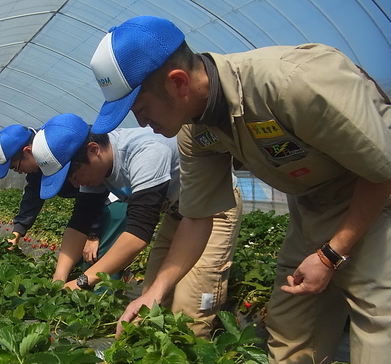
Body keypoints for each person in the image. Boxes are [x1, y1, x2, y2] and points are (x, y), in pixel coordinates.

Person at [88, 15, 391, 364]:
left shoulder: (293, 83)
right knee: (291, 340)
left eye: (142, 110)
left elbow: (384, 170)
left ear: (177, 82)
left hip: (382, 205)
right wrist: (154, 292)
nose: (141, 125)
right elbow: (198, 216)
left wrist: (331, 254)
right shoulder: (196, 131)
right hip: (310, 209)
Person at [32, 113, 241, 339]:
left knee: (190, 307)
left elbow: (138, 233)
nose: (75, 183)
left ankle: (193, 359)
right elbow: (80, 222)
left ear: (94, 149)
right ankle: (153, 363)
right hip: (177, 212)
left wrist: (83, 281)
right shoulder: (95, 169)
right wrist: (60, 278)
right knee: (148, 303)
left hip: (214, 206)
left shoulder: (145, 152)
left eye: (73, 175)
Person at [0, 124, 126, 264]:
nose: (19, 172)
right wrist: (17, 232)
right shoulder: (41, 159)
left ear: (28, 151)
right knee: (77, 260)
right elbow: (33, 194)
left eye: (16, 167)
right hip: (91, 203)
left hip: (110, 201)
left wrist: (92, 235)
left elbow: (91, 197)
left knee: (97, 259)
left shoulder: (56, 147)